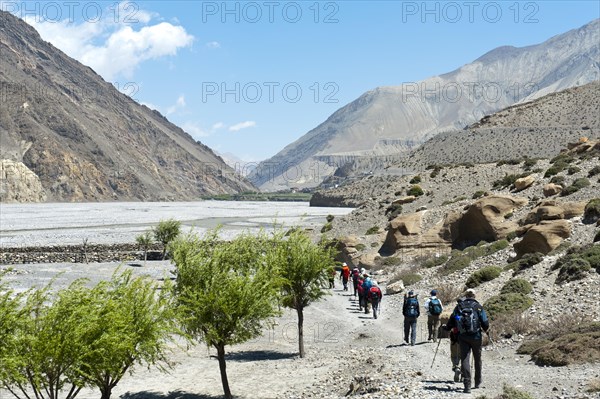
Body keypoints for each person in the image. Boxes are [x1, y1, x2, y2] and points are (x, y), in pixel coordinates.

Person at [445, 288, 489, 394]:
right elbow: (485, 322)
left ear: (466, 295)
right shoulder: (478, 307)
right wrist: (486, 330)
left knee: (465, 359)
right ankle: (477, 382)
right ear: (474, 295)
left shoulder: (459, 306)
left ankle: (467, 385)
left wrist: (448, 328)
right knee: (477, 359)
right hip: (476, 336)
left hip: (463, 336)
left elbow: (452, 320)